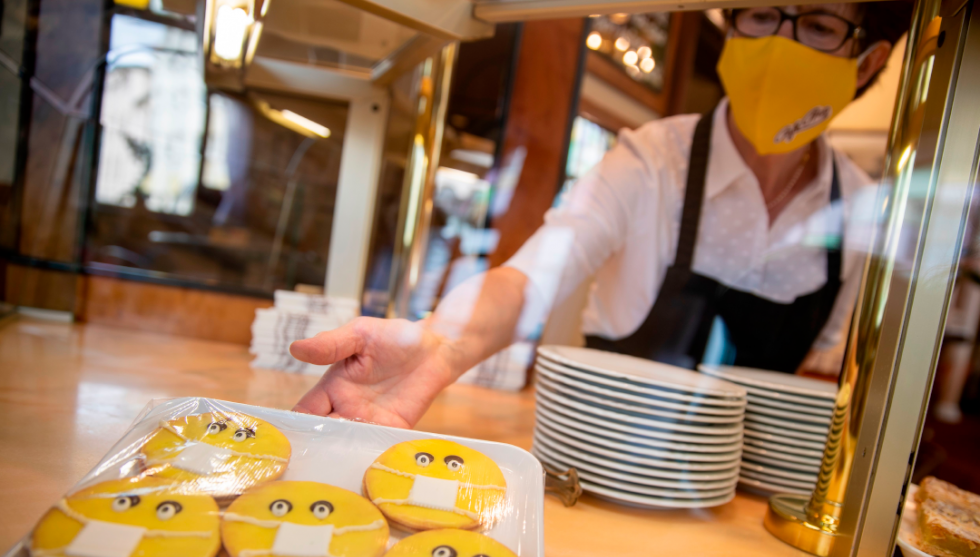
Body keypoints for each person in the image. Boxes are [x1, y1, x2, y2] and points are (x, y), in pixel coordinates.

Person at [290, 4, 912, 428]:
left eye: (822, 22)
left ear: (868, 61)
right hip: (600, 480)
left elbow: (817, 379)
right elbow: (530, 278)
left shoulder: (862, 210)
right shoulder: (651, 160)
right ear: (732, 28)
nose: (781, 41)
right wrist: (437, 343)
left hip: (740, 519)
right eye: (760, 14)